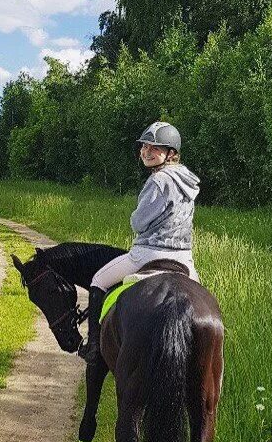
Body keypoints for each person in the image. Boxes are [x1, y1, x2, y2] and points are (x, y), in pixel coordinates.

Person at [79, 121, 200, 364]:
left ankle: (93, 347)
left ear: (171, 153)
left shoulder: (158, 181)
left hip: (149, 253)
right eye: (145, 146)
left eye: (155, 148)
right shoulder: (190, 181)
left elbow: (139, 222)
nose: (146, 151)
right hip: (184, 258)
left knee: (98, 281)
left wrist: (135, 217)